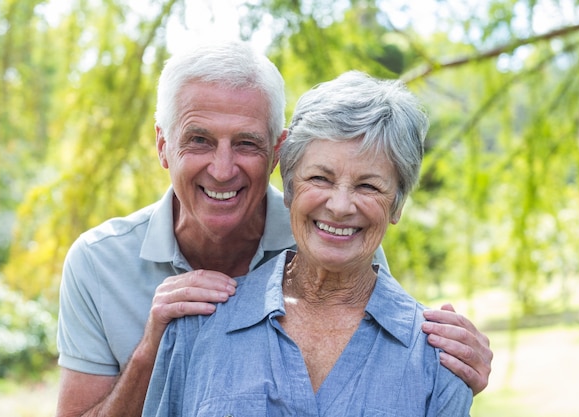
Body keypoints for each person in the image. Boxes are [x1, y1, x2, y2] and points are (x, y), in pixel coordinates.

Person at [55, 41, 491, 417]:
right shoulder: (100, 263)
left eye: (246, 143)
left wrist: (455, 362)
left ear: (277, 155)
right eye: (199, 140)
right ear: (163, 145)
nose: (222, 170)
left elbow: (381, 349)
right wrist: (152, 346)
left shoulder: (338, 239)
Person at [142, 70, 473, 416]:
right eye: (320, 178)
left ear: (397, 204)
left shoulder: (441, 358)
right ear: (289, 189)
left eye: (368, 186)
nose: (341, 206)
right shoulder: (195, 327)